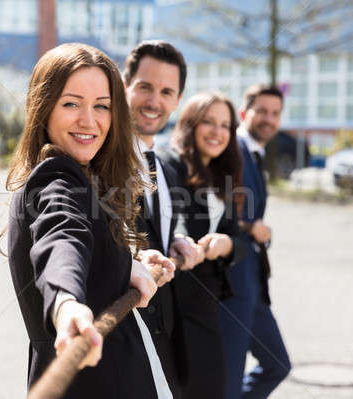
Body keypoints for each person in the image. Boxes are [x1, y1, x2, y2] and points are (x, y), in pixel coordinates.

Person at [5, 43, 176, 399]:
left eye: (102, 106)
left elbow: (90, 247)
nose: (89, 120)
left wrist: (128, 263)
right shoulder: (54, 179)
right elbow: (61, 237)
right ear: (43, 107)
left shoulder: (84, 178)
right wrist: (67, 304)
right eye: (71, 103)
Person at [123, 40, 205, 398]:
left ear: (177, 99)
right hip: (123, 329)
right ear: (126, 86)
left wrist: (180, 239)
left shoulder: (167, 163)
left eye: (166, 91)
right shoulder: (100, 158)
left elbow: (168, 220)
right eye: (145, 87)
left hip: (167, 324)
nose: (154, 101)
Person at [161, 92, 247, 399]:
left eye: (225, 125)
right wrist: (185, 242)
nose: (217, 131)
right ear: (190, 124)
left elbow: (238, 238)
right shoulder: (170, 164)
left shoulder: (223, 174)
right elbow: (177, 218)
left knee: (209, 386)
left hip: (205, 298)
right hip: (173, 298)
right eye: (208, 122)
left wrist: (224, 244)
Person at [218, 84, 291, 399]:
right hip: (232, 286)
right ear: (245, 113)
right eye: (262, 111)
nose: (269, 119)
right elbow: (221, 210)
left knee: (277, 363)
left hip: (253, 286)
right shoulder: (231, 150)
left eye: (275, 114)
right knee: (229, 381)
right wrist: (254, 227)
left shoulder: (253, 153)